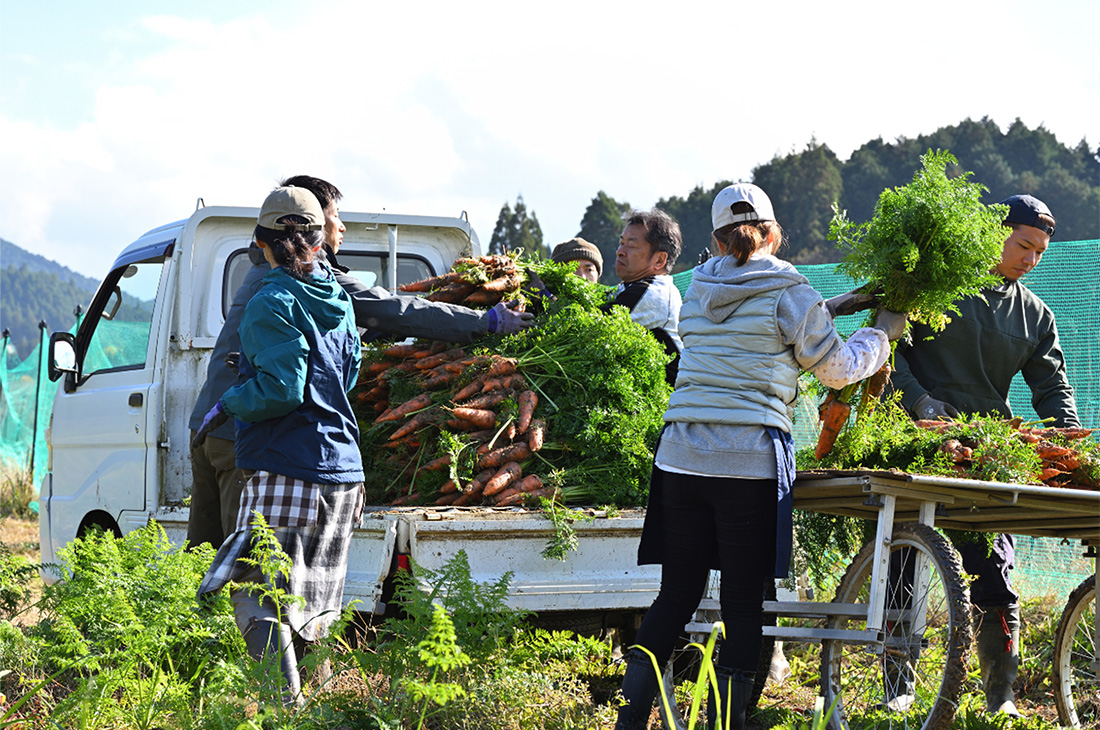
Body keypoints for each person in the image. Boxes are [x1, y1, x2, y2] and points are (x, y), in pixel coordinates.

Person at [615, 183, 905, 730]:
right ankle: (727, 725)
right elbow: (837, 369)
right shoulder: (790, 289)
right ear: (773, 233)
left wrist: (827, 313)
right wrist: (880, 335)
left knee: (676, 594)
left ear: (717, 238)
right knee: (745, 602)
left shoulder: (697, 286)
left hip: (679, 456)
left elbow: (742, 343)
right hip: (746, 461)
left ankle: (629, 722)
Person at [187, 175, 533, 549]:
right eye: (336, 216)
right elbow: (394, 310)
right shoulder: (306, 282)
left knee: (204, 563)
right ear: (314, 225)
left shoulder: (262, 272)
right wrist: (484, 322)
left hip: (207, 430)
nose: (343, 226)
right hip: (240, 435)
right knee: (251, 572)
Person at [889, 193, 1077, 717]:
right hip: (917, 445)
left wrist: (1066, 437)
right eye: (1023, 245)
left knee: (994, 573)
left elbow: (1052, 387)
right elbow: (886, 349)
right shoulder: (935, 286)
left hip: (987, 453)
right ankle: (898, 690)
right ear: (994, 232)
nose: (1029, 259)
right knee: (905, 562)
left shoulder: (1034, 315)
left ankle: (1002, 698)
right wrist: (918, 400)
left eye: (1039, 252)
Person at [194, 186, 364, 704]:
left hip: (286, 466)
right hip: (343, 473)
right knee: (313, 605)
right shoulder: (337, 299)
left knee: (255, 590)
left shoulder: (271, 299)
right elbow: (348, 375)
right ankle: (323, 710)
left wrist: (230, 404)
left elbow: (281, 390)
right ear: (319, 240)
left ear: (262, 242)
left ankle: (283, 710)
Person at [602, 209, 684, 386]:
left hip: (667, 405)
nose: (620, 252)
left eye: (631, 246)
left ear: (659, 260)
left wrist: (545, 296)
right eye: (621, 243)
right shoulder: (625, 288)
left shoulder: (654, 292)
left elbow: (592, 324)